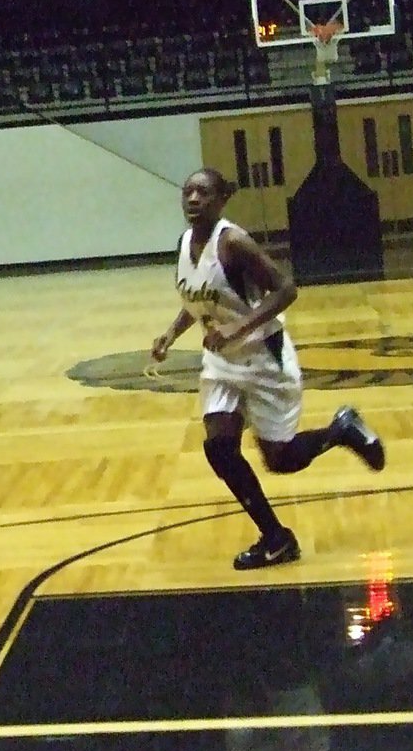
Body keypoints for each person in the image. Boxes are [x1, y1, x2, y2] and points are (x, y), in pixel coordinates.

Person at [151, 167, 385, 570]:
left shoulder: (234, 242)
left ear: (222, 199)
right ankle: (276, 538)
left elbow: (286, 288)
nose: (192, 199)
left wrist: (237, 328)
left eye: (203, 192)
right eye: (187, 191)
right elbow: (200, 299)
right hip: (222, 363)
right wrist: (170, 334)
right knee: (219, 448)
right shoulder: (186, 242)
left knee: (281, 459)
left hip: (263, 359)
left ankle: (340, 430)